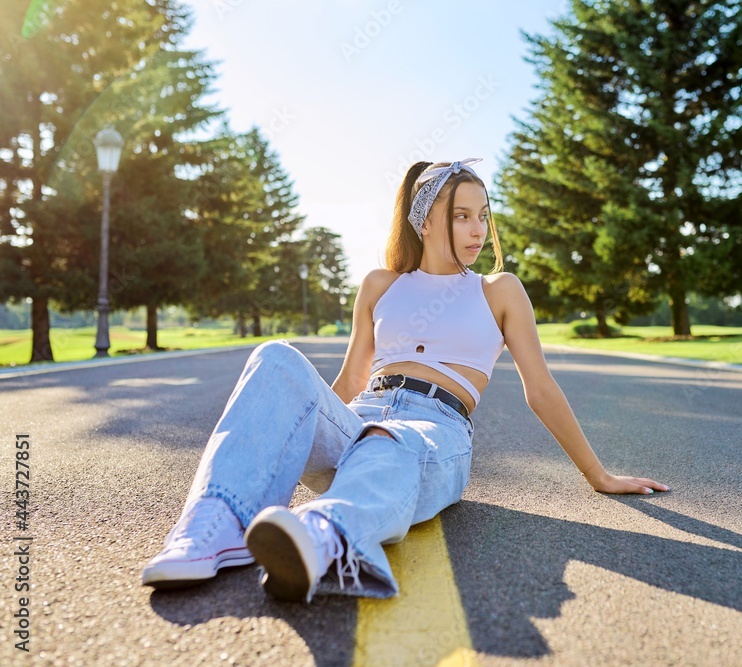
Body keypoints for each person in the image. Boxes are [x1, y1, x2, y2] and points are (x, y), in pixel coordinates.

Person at [141, 158, 669, 602]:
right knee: (275, 358)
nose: (477, 230)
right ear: (424, 221)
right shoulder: (380, 284)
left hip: (435, 433)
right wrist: (293, 416)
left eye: (482, 216)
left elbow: (541, 389)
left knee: (389, 440)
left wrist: (597, 474)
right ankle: (216, 523)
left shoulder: (498, 290)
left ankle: (327, 535)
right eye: (461, 216)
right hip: (360, 419)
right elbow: (349, 379)